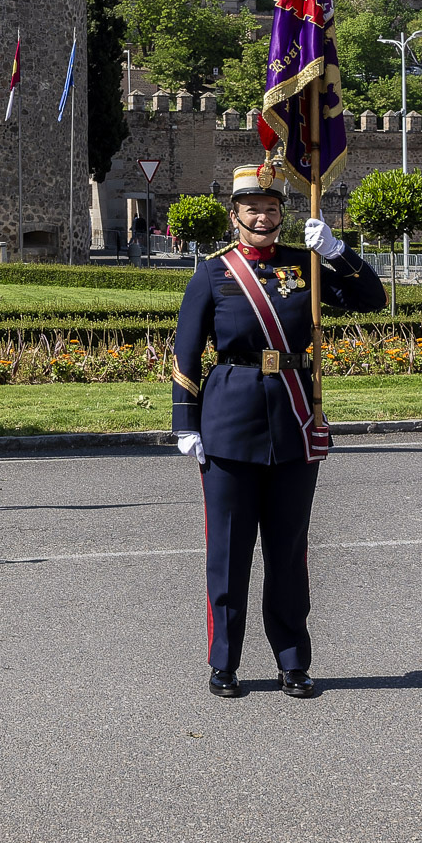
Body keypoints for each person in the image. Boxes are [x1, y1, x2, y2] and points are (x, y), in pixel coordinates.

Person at [171, 162, 385, 699]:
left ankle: (293, 661)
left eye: (271, 208)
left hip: (293, 420)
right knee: (228, 553)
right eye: (252, 209)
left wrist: (336, 252)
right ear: (235, 215)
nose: (262, 217)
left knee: (288, 553)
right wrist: (185, 423)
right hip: (229, 423)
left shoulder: (303, 265)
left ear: (281, 214)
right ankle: (224, 662)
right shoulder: (213, 274)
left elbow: (371, 300)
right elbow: (186, 352)